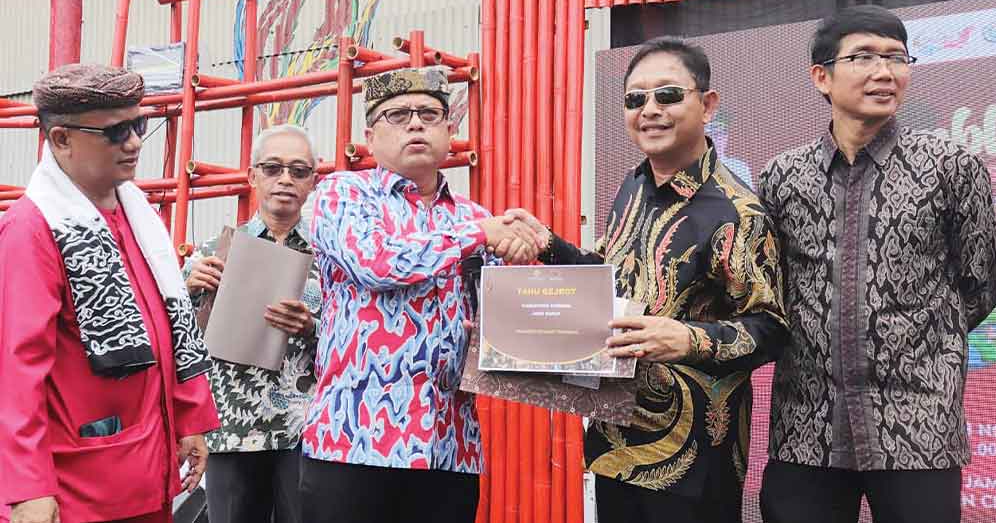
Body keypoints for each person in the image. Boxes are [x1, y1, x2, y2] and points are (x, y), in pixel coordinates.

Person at [508, 37, 788, 523]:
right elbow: (611, 281)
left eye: (668, 95)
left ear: (708, 105)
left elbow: (771, 328)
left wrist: (688, 338)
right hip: (616, 441)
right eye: (635, 98)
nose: (650, 109)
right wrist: (548, 246)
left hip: (693, 463)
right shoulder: (634, 185)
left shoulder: (738, 212)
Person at [757, 5, 996, 523]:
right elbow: (772, 288)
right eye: (864, 57)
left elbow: (980, 283)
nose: (884, 72)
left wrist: (917, 340)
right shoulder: (782, 177)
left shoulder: (951, 168)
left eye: (896, 58)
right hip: (807, 428)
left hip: (918, 428)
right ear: (821, 77)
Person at [301, 67, 536, 523]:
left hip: (450, 447)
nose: (415, 123)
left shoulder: (473, 215)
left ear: (449, 132)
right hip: (353, 442)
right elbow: (376, 262)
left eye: (429, 114)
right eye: (397, 115)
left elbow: (504, 316)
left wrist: (523, 252)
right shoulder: (342, 194)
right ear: (370, 137)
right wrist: (479, 235)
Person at [0, 64, 219, 523]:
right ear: (61, 139)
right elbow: (15, 373)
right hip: (77, 492)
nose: (134, 142)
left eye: (138, 125)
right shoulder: (32, 230)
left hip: (145, 475)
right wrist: (27, 487)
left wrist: (189, 418)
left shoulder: (138, 216)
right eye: (116, 131)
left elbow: (168, 326)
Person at [183, 125, 321, 523]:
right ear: (252, 176)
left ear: (313, 180)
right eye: (273, 168)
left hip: (304, 431)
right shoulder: (214, 252)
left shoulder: (332, 256)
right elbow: (177, 340)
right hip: (232, 430)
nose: (285, 179)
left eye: (298, 171)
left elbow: (357, 338)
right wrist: (188, 290)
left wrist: (313, 327)